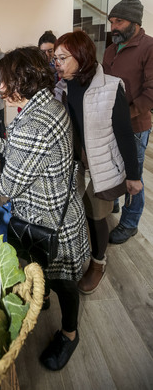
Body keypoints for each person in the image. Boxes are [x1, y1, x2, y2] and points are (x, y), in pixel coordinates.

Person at [0, 46, 90, 371]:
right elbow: (25, 152)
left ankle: (69, 334)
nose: (0, 88)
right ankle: (41, 297)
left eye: (5, 81)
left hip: (48, 220)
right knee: (50, 274)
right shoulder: (47, 106)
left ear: (22, 81)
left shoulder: (33, 123)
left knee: (63, 282)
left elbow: (6, 186)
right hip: (59, 209)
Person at [53, 31, 142, 294]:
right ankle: (82, 253)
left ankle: (98, 262)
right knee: (79, 213)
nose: (57, 63)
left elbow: (125, 135)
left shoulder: (111, 87)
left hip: (101, 166)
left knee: (98, 216)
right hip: (75, 165)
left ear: (80, 57)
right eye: (55, 58)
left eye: (62, 58)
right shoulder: (62, 88)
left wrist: (133, 175)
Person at [103, 0, 153, 244]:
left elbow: (151, 92)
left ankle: (130, 222)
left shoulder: (149, 47)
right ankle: (112, 201)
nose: (113, 27)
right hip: (111, 123)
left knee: (133, 177)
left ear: (135, 21)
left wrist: (126, 114)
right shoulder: (111, 49)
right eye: (112, 21)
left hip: (134, 125)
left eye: (119, 21)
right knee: (113, 167)